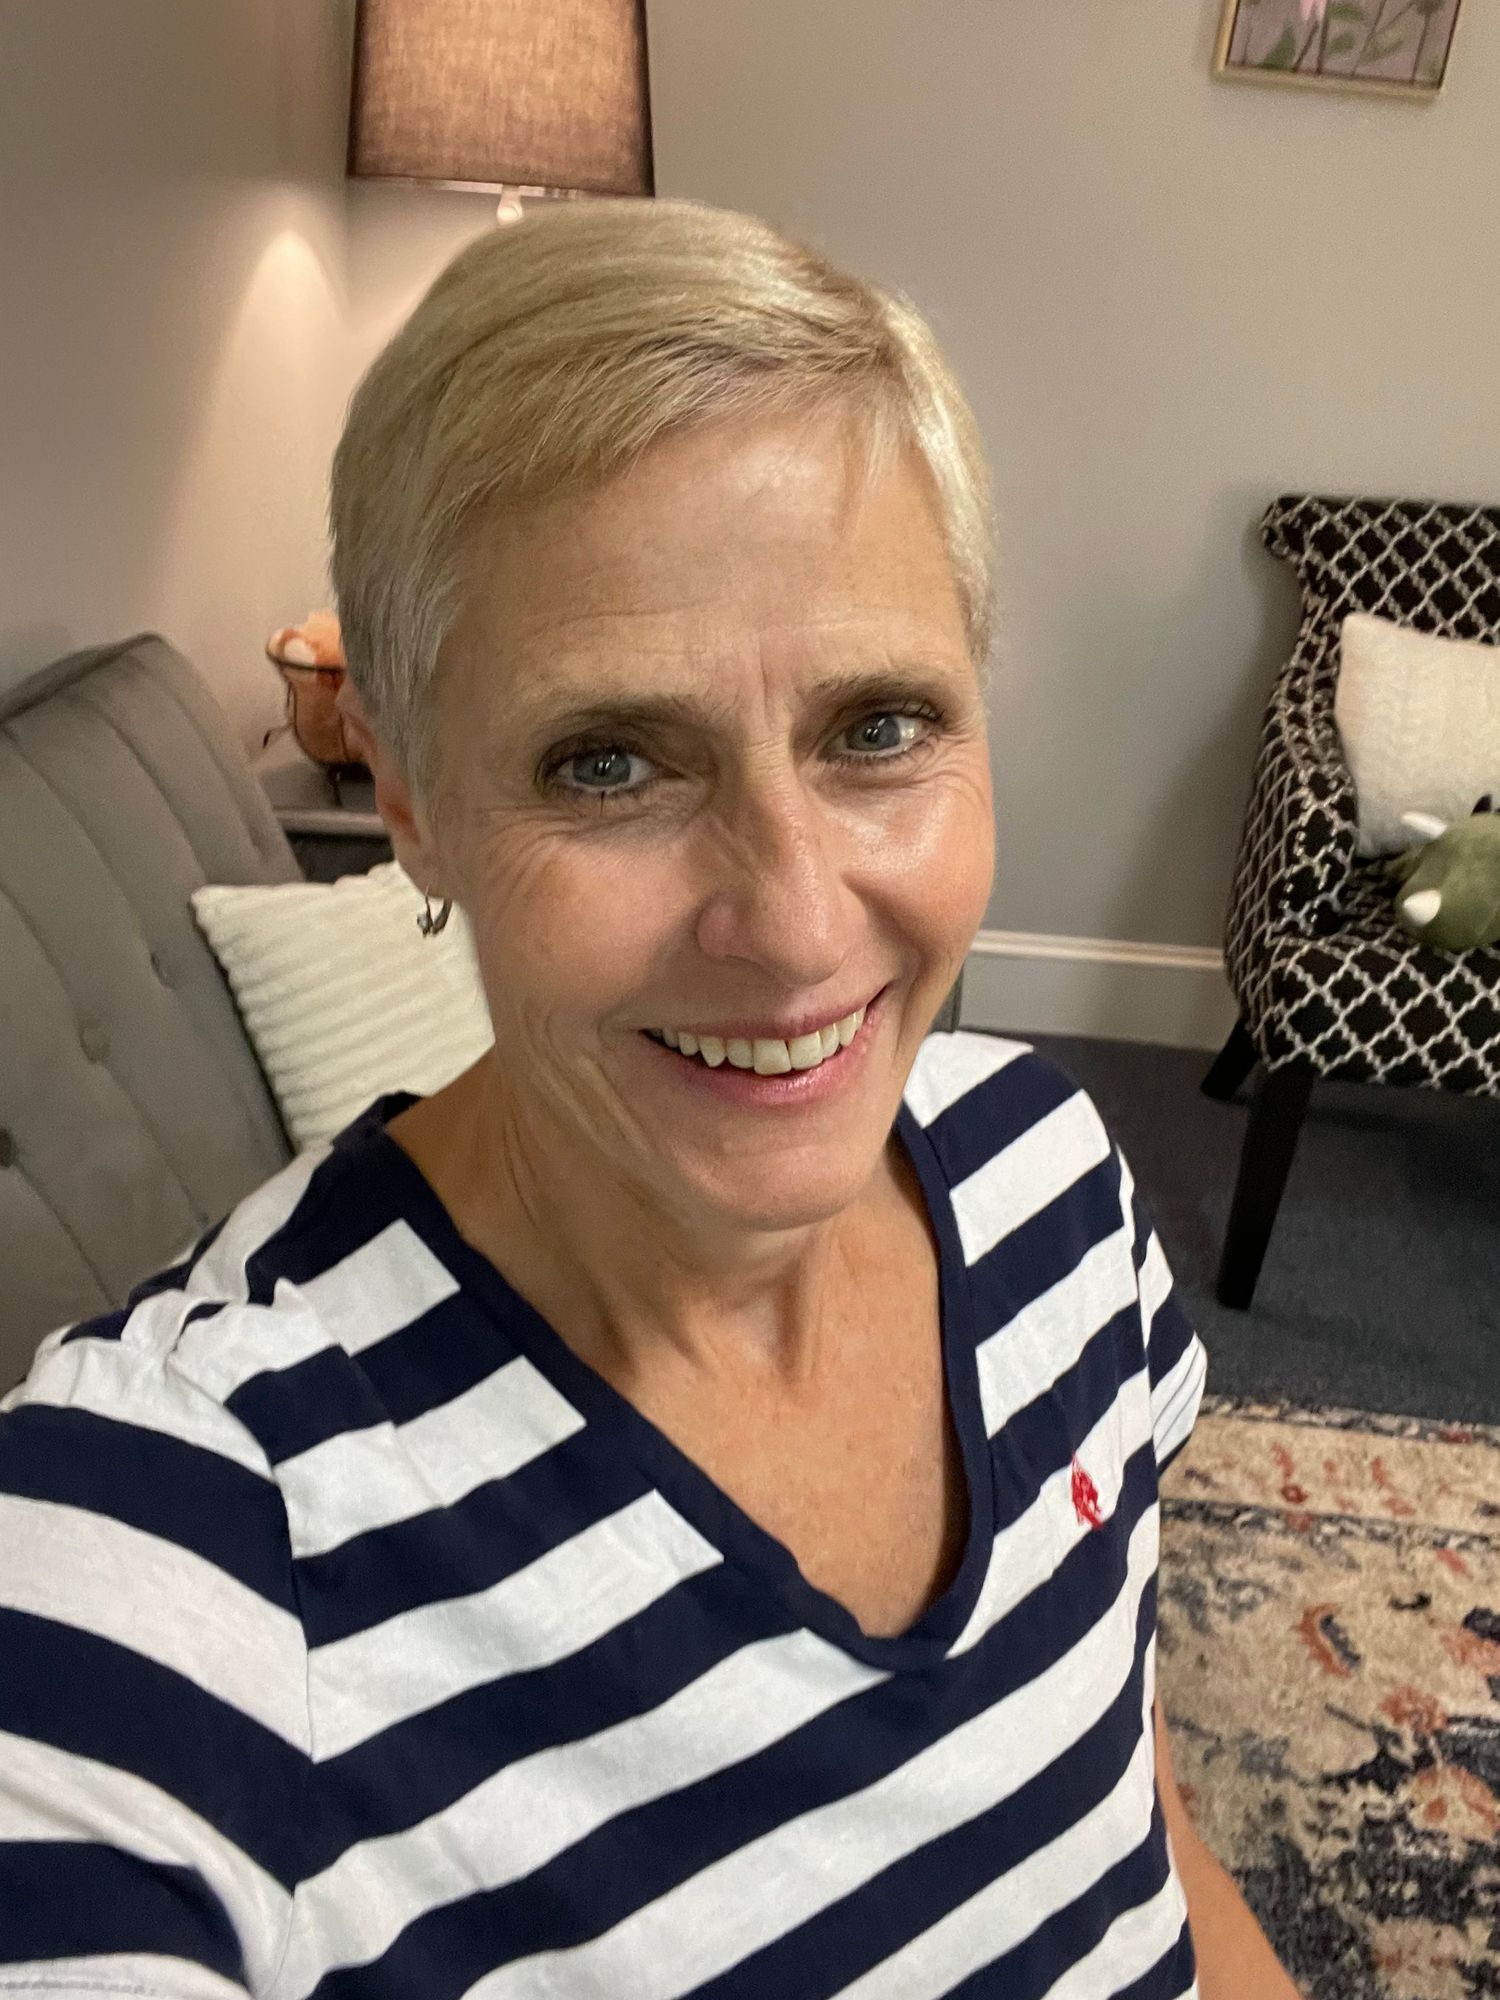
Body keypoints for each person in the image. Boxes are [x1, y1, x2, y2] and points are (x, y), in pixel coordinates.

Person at [0, 198, 1301, 2000]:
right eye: (608, 762)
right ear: (409, 798)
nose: (798, 926)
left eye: (878, 728)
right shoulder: (195, 1537)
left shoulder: (1052, 1180)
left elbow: (1125, 1813)